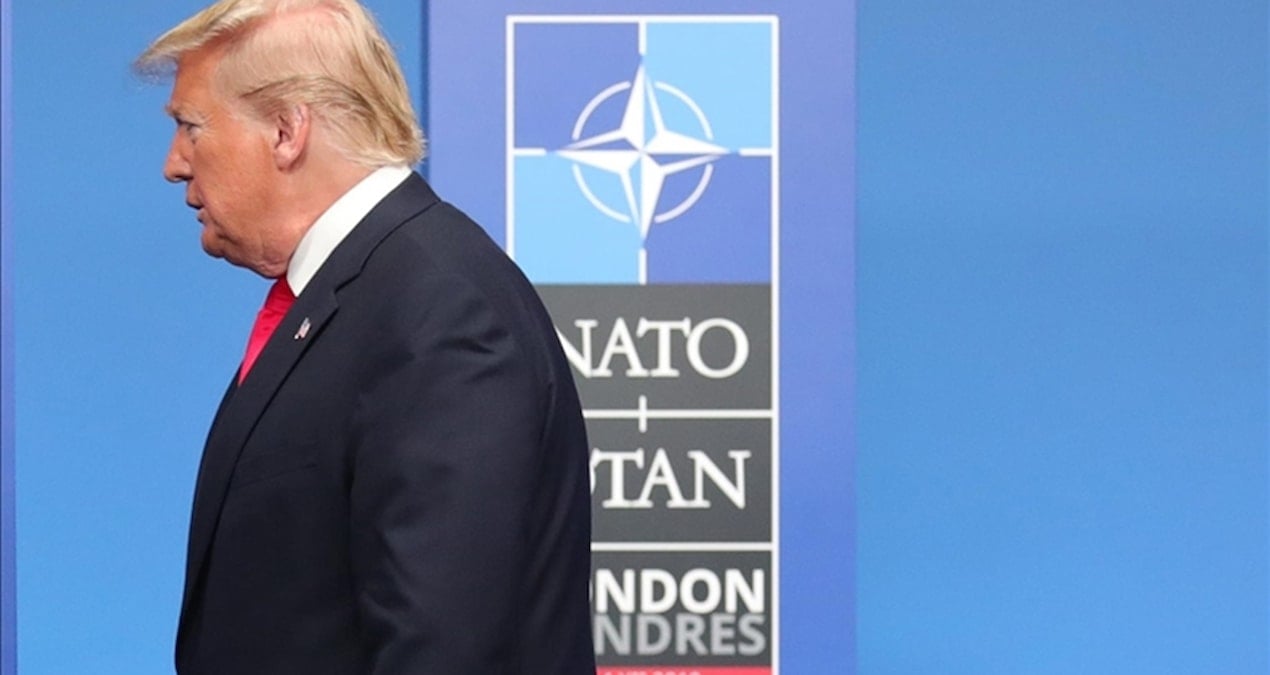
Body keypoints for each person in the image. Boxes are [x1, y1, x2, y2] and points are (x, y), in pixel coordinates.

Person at [135, 1, 596, 672]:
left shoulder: (439, 311)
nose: (174, 164)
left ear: (287, 130)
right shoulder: (371, 292)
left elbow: (439, 650)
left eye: (190, 126)